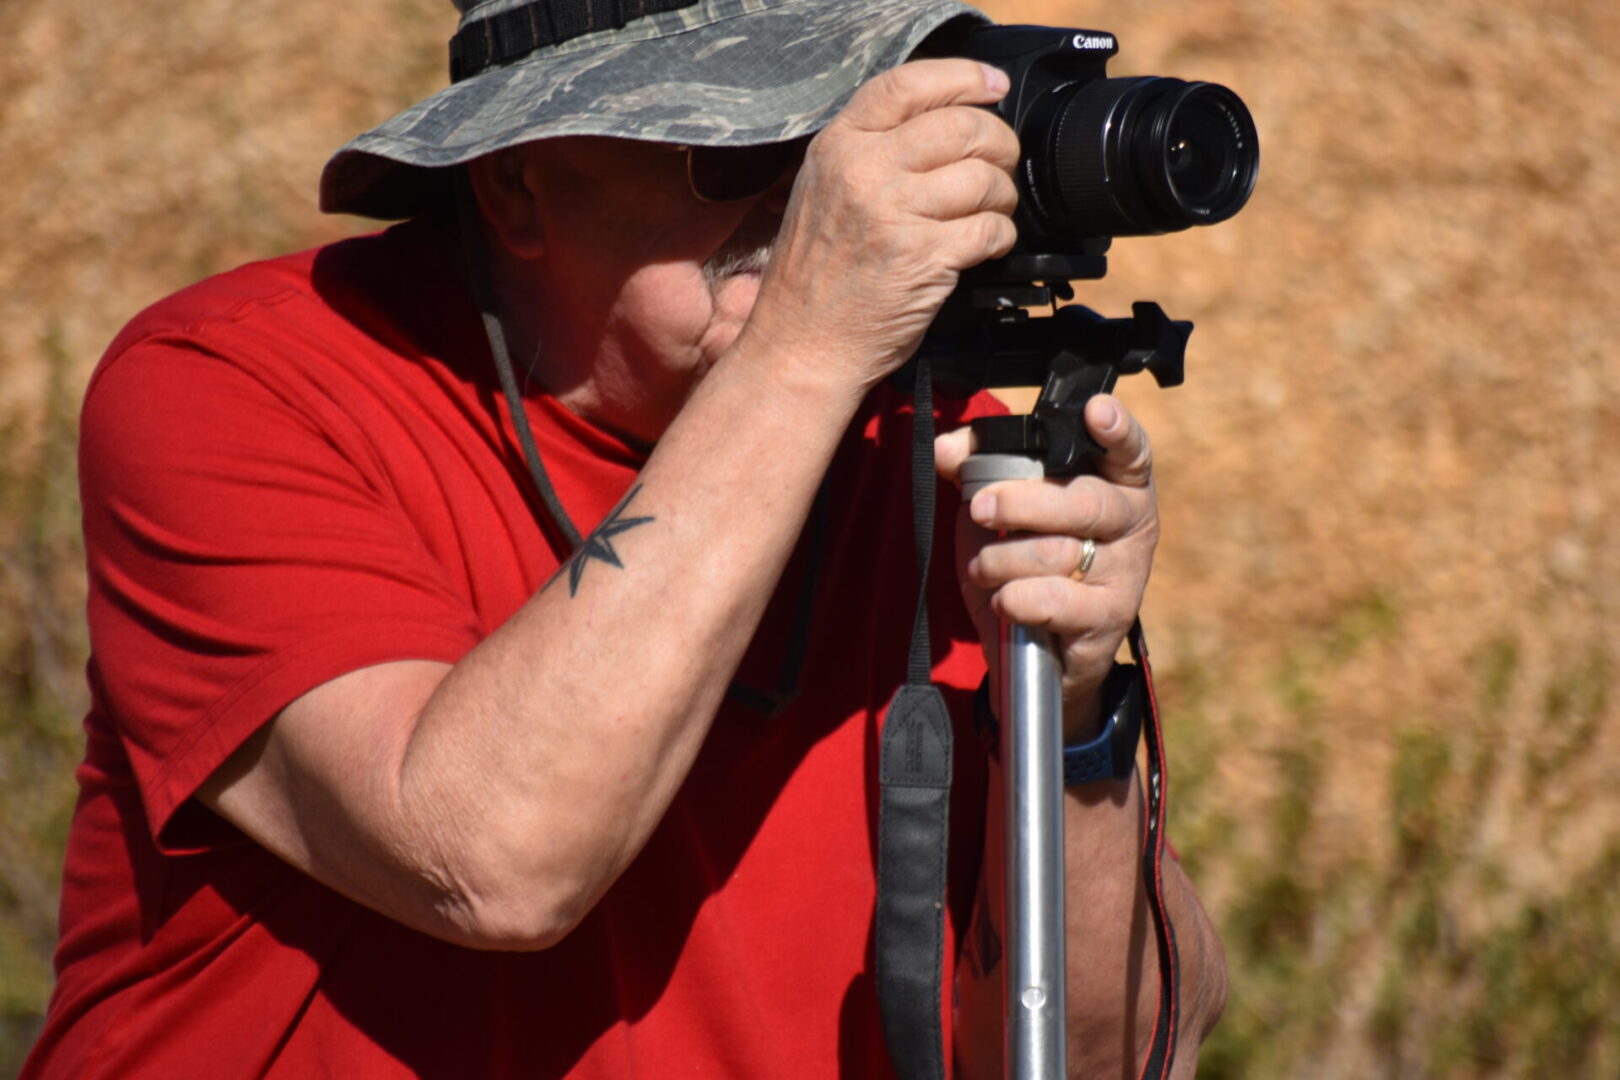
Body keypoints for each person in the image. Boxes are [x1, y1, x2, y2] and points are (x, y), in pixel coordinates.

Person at [25, 0, 1225, 1076]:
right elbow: (489, 858)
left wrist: (1070, 722)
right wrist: (805, 345)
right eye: (747, 143)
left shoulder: (929, 446)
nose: (822, 192)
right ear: (517, 182)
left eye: (850, 128)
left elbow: (1106, 1055)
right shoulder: (242, 383)